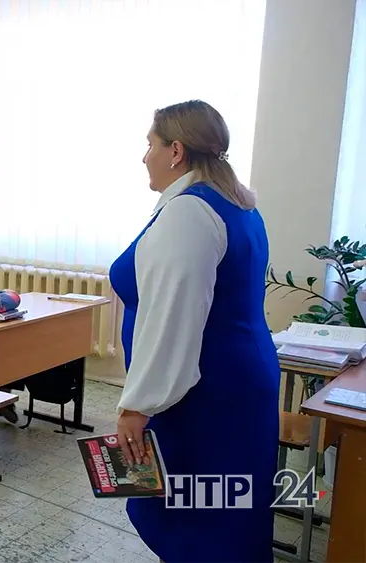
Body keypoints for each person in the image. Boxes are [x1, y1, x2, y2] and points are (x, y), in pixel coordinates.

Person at [110, 100, 278, 562]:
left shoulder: (189, 213)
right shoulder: (237, 203)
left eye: (150, 145)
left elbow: (173, 317)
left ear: (176, 151)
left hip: (203, 393)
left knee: (201, 515)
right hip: (238, 378)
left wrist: (137, 406)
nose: (144, 156)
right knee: (230, 507)